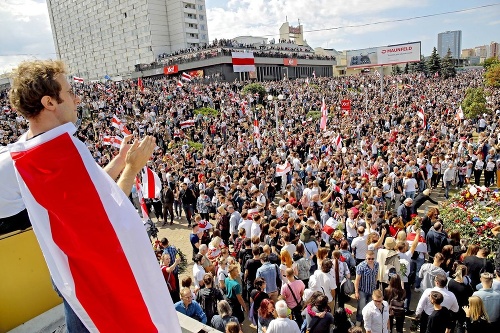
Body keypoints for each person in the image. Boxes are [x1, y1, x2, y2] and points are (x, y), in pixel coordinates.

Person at [2, 60, 178, 332]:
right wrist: (132, 168)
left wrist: (119, 162)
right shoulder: (61, 156)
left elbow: (89, 195)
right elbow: (109, 222)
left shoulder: (24, 152)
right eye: (70, 92)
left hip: (66, 272)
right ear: (49, 102)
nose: (77, 98)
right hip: (87, 280)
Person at [354, 250, 379, 326]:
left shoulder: (376, 264)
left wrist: (376, 286)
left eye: (372, 258)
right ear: (366, 258)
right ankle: (358, 320)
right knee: (361, 307)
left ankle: (367, 321)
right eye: (369, 258)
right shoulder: (361, 266)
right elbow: (357, 280)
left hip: (372, 290)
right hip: (363, 290)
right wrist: (356, 291)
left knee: (370, 307)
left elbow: (376, 275)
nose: (371, 260)